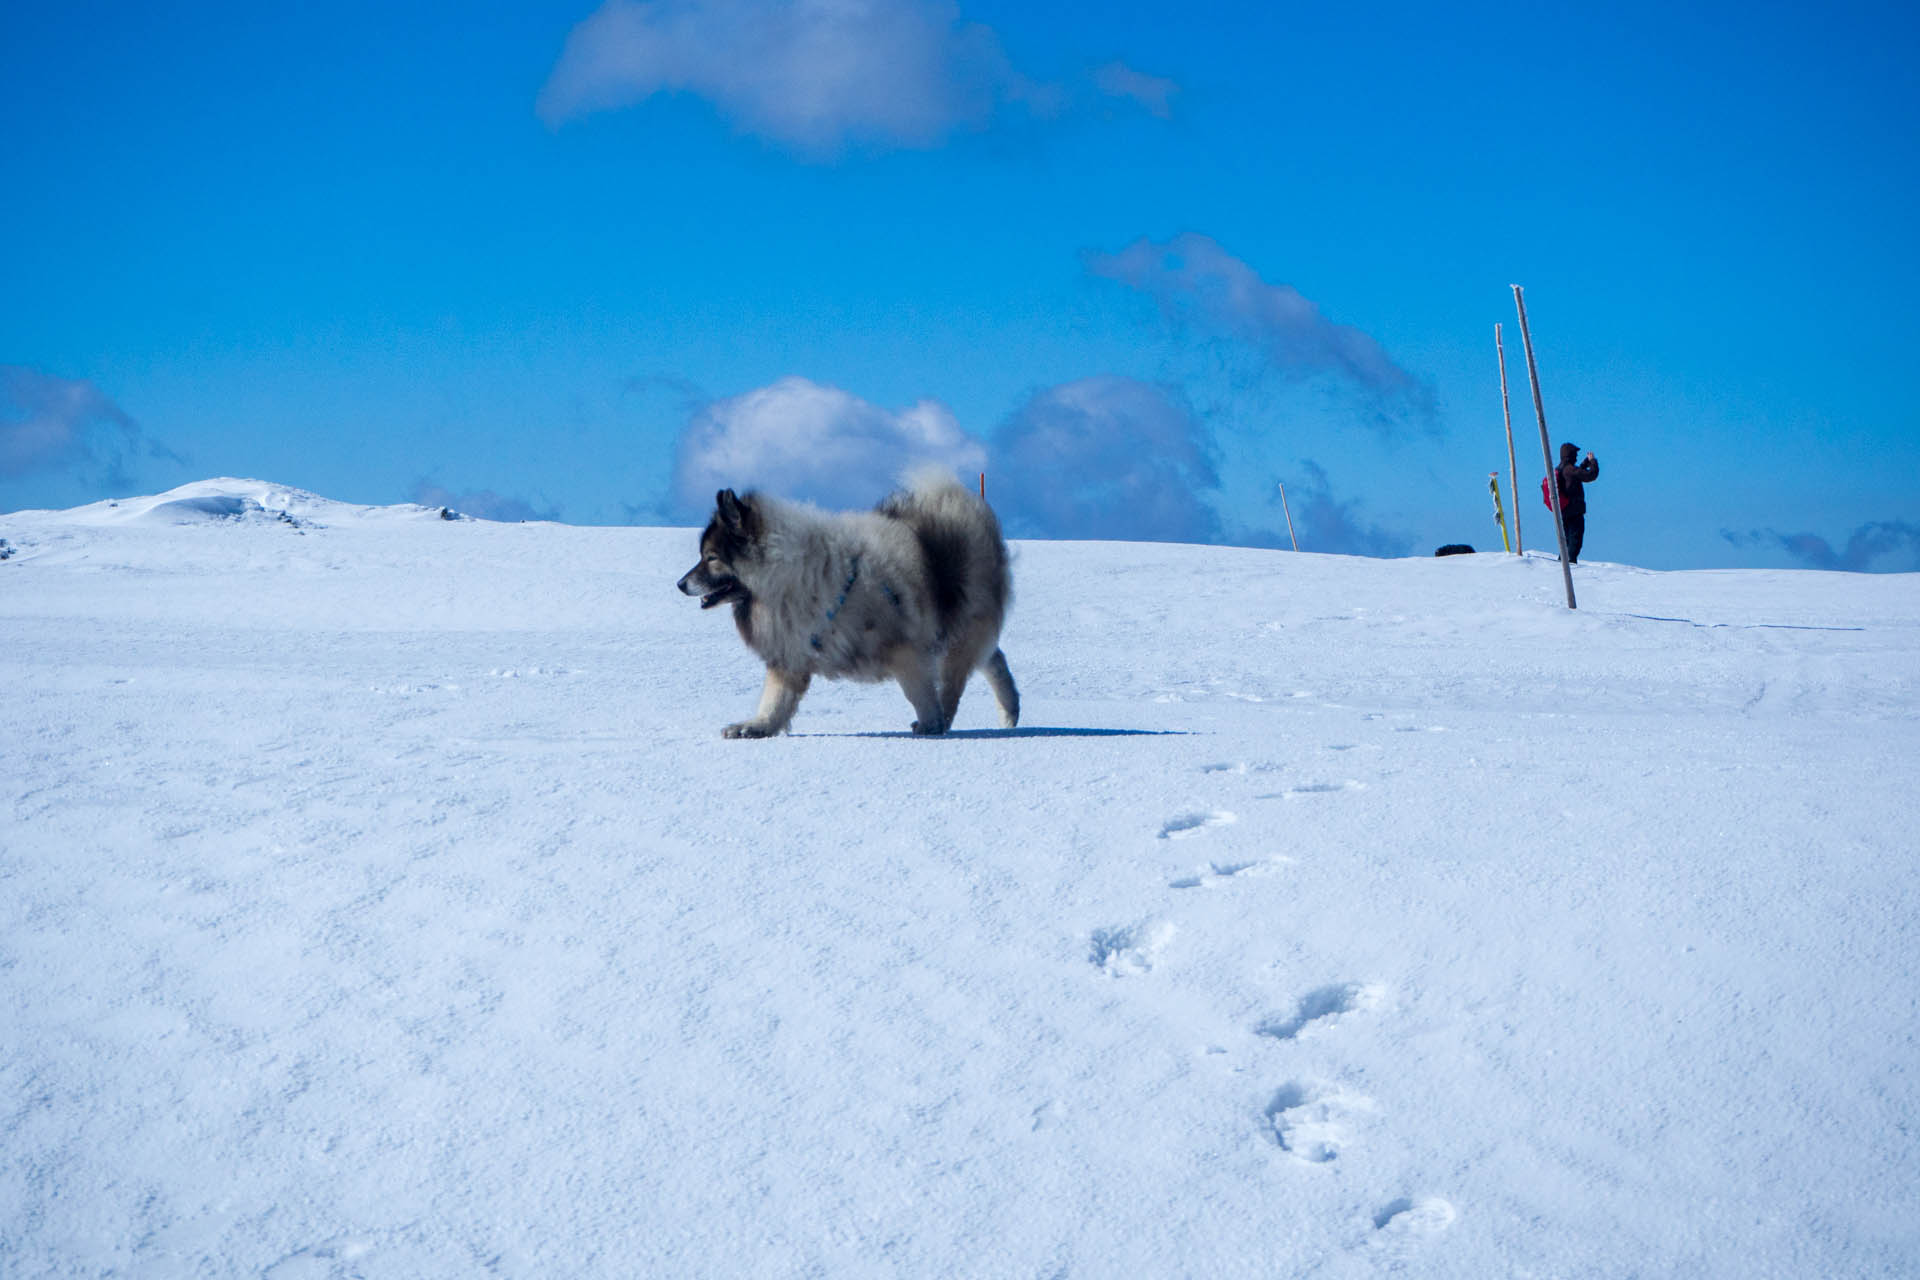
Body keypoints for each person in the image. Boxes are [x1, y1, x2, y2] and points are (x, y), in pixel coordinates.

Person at [1553, 442, 1600, 563]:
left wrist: (1585, 463)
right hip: (1574, 511)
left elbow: (1577, 473)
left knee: (1566, 541)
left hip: (1563, 511)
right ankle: (1570, 565)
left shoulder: (1560, 469)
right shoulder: (1570, 470)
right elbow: (1591, 475)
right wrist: (1593, 462)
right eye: (1575, 454)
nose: (1576, 457)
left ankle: (1562, 563)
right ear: (1570, 455)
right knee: (1574, 541)